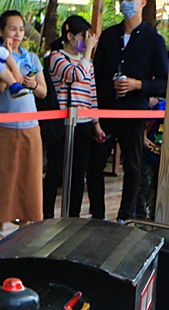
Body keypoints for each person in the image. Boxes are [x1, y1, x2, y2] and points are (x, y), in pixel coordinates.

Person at [91, 0, 169, 222]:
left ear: (143, 3)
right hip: (106, 111)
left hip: (134, 112)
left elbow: (164, 82)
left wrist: (139, 85)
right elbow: (96, 76)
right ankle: (97, 214)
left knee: (133, 165)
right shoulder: (108, 36)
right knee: (95, 163)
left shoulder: (154, 40)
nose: (125, 3)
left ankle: (125, 216)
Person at [0, 10, 46, 236]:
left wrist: (31, 84)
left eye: (21, 29)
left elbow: (42, 91)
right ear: (1, 31)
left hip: (30, 126)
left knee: (28, 178)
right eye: (12, 29)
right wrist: (9, 61)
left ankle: (23, 229)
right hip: (4, 126)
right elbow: (0, 88)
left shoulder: (31, 58)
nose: (18, 33)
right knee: (2, 178)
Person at [42, 15, 105, 220]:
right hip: (62, 123)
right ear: (70, 37)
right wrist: (87, 52)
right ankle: (48, 214)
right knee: (55, 171)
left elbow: (92, 92)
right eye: (83, 36)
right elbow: (74, 75)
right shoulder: (56, 57)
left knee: (79, 174)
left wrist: (96, 123)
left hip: (84, 123)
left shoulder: (88, 63)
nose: (87, 40)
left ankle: (73, 217)